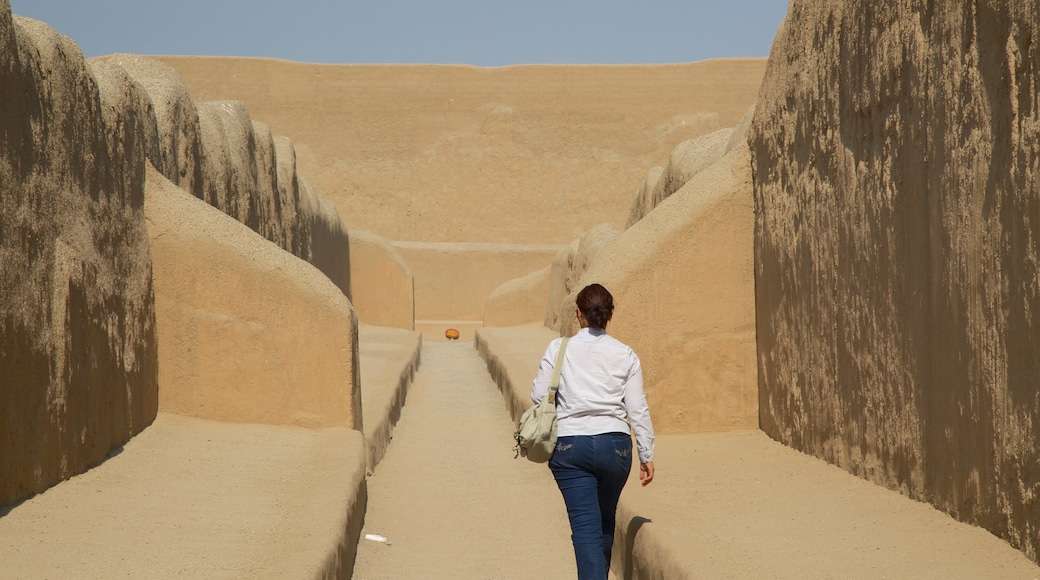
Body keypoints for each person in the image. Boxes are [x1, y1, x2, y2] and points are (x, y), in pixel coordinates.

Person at [531, 283, 655, 580]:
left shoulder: (558, 348)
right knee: (603, 521)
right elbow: (637, 408)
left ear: (578, 314)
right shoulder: (625, 354)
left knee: (585, 526)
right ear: (609, 314)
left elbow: (539, 395)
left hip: (570, 446)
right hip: (617, 448)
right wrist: (646, 453)